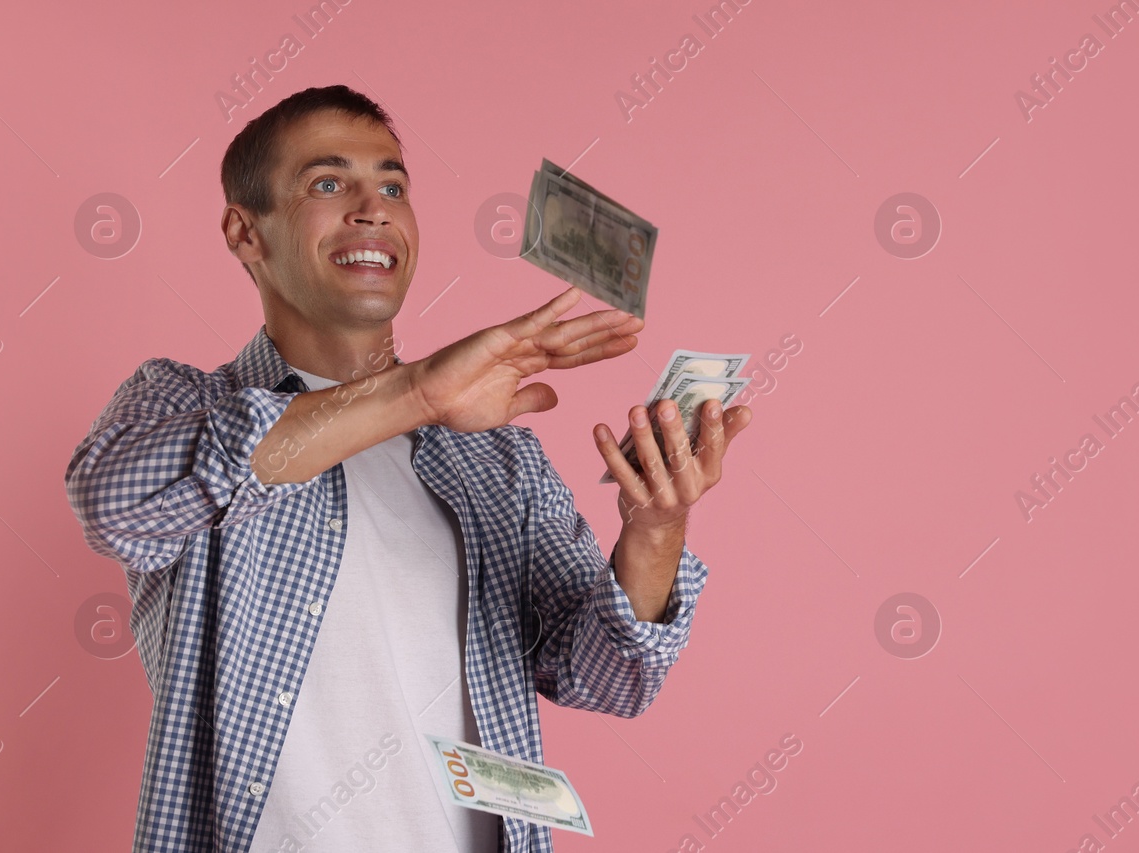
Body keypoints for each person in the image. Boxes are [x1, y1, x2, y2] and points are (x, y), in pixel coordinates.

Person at [64, 84, 751, 853]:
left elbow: (604, 678)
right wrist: (419, 390)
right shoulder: (181, 401)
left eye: (393, 185)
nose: (372, 207)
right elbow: (111, 504)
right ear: (243, 232)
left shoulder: (498, 457)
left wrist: (655, 531)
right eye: (328, 183)